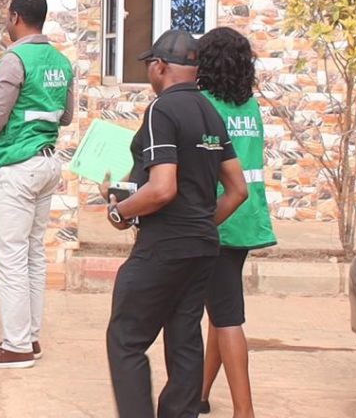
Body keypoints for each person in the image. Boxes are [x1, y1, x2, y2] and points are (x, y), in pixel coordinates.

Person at [100, 28, 249, 418]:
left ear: (160, 65)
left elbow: (163, 188)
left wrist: (119, 211)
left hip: (162, 249)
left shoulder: (162, 110)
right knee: (185, 342)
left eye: (150, 65)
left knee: (126, 340)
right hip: (201, 249)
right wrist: (199, 224)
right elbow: (237, 190)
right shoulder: (209, 112)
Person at [0, 0, 74, 368]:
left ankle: (16, 345)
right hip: (47, 163)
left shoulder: (15, 59)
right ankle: (31, 337)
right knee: (33, 254)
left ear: (15, 17)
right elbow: (66, 116)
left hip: (17, 166)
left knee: (10, 259)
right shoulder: (61, 61)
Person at [196, 27, 277, 418]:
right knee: (221, 308)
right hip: (246, 219)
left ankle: (244, 411)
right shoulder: (251, 107)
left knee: (226, 317)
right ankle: (199, 393)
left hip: (219, 218)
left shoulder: (204, 105)